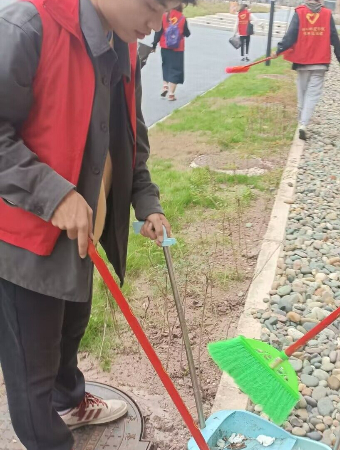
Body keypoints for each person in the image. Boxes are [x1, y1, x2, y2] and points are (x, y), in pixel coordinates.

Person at [0, 0, 195, 449]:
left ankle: (69, 402)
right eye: (154, 6)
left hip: (82, 233)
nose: (158, 24)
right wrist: (53, 194)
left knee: (71, 328)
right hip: (25, 244)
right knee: (33, 377)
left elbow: (130, 134)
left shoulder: (122, 43)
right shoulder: (29, 27)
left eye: (170, 11)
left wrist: (147, 201)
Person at [275, 0, 340, 140]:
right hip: (320, 62)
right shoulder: (327, 14)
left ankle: (301, 122)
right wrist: (339, 56)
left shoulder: (300, 12)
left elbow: (291, 35)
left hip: (302, 61)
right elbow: (334, 36)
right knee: (312, 95)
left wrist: (279, 49)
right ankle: (303, 124)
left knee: (302, 93)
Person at [152, 4, 191, 101]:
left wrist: (154, 44)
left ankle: (165, 85)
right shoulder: (182, 18)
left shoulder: (164, 16)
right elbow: (187, 33)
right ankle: (171, 94)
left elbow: (158, 32)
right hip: (178, 48)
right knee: (176, 69)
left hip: (165, 45)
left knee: (166, 65)